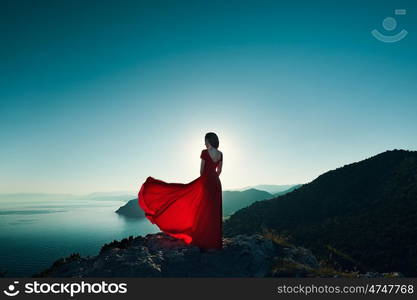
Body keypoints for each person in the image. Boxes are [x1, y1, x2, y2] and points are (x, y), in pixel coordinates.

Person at [138, 132, 223, 250]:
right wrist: (213, 178)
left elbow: (201, 170)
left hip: (206, 182)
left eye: (205, 140)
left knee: (203, 208)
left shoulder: (204, 152)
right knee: (213, 210)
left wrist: (203, 181)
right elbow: (219, 171)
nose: (204, 142)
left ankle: (204, 239)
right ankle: (214, 241)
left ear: (208, 140)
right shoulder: (220, 154)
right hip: (216, 183)